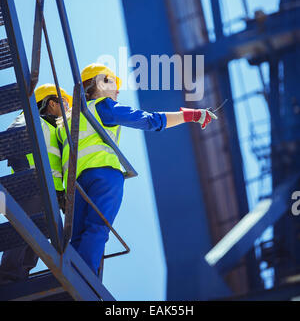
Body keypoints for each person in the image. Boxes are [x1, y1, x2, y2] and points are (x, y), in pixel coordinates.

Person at [56, 63, 217, 276]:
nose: (117, 90)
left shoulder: (64, 121)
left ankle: (71, 278)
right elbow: (151, 121)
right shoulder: (103, 106)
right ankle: (83, 280)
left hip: (75, 185)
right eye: (112, 82)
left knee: (75, 236)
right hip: (103, 176)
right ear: (99, 83)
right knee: (97, 229)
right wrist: (191, 115)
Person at [0, 84, 72, 284]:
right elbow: (11, 139)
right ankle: (7, 279)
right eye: (65, 102)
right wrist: (26, 175)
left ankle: (18, 279)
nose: (68, 108)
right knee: (22, 235)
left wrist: (60, 195)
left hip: (48, 194)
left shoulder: (53, 131)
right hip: (32, 187)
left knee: (35, 244)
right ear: (51, 103)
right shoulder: (33, 118)